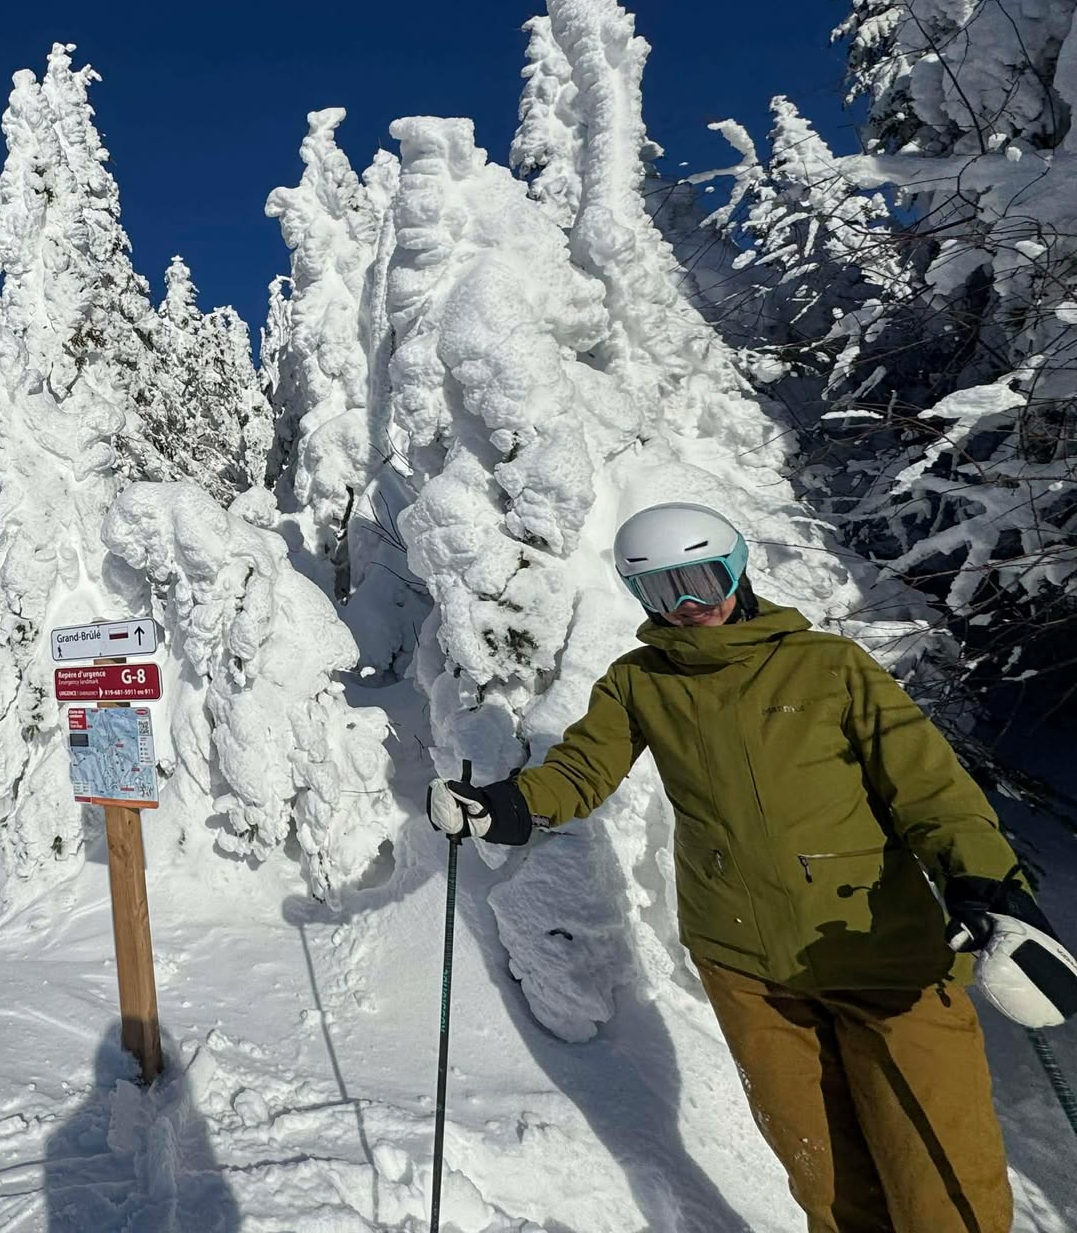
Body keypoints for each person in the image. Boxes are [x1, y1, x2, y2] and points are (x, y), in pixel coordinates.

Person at [427, 501, 1076, 1233]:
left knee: (940, 1176)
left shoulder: (830, 666)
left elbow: (930, 790)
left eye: (702, 579)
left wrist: (989, 888)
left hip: (882, 955)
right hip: (745, 968)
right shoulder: (639, 682)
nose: (691, 606)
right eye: (664, 592)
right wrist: (503, 807)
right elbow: (582, 770)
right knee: (825, 1176)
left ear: (736, 569)